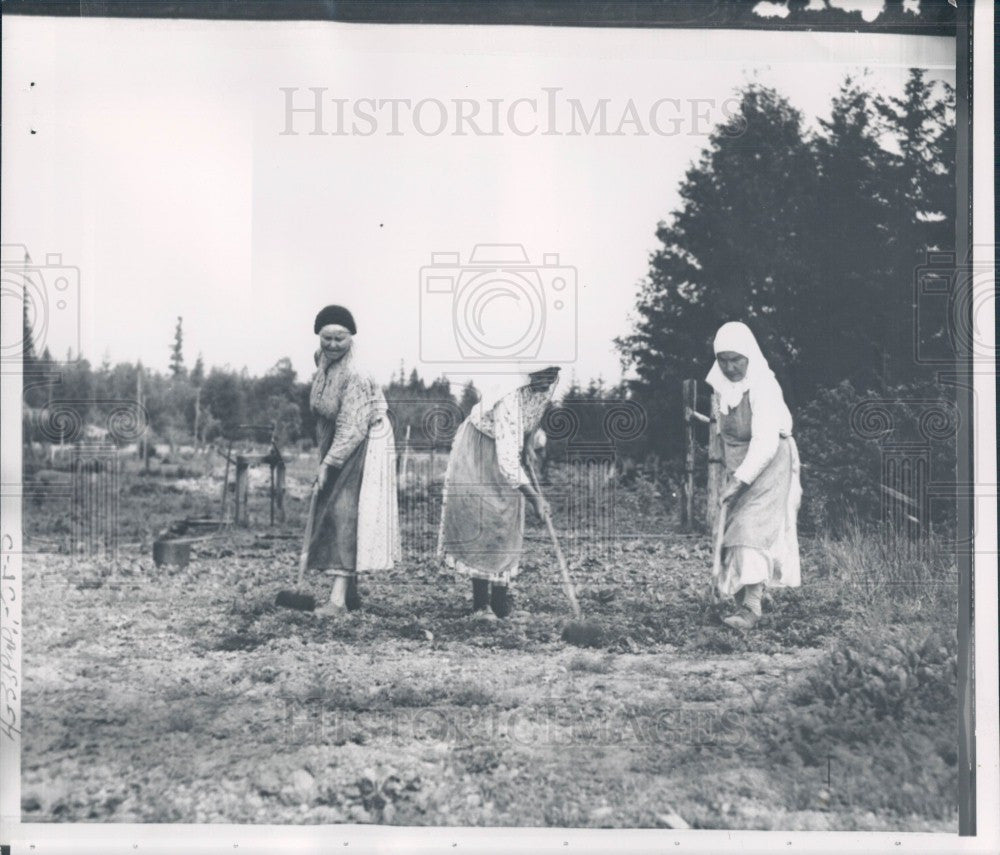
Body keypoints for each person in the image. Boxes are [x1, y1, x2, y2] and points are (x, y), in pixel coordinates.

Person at [437, 366, 561, 619]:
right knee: (487, 519)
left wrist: (527, 443)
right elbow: (507, 462)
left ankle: (501, 603)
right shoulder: (509, 398)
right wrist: (535, 498)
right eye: (542, 374)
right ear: (530, 372)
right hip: (480, 450)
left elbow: (533, 415)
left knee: (508, 521)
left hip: (507, 449)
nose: (547, 381)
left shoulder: (545, 387)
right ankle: (481, 605)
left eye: (553, 373)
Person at [706, 322, 801, 630]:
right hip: (739, 466)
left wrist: (740, 480)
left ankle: (751, 607)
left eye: (737, 359)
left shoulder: (764, 385)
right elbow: (724, 437)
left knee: (751, 529)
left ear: (749, 355)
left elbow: (765, 442)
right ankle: (740, 597)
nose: (730, 367)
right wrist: (728, 473)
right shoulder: (721, 388)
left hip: (770, 462)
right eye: (723, 359)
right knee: (733, 530)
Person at [307, 304, 400, 616]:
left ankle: (337, 600)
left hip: (365, 438)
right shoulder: (322, 362)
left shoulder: (358, 373)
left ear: (352, 338)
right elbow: (325, 412)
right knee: (334, 505)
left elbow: (352, 426)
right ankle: (351, 594)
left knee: (345, 509)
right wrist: (323, 458)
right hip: (340, 436)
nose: (333, 345)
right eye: (327, 338)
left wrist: (327, 464)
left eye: (340, 339)